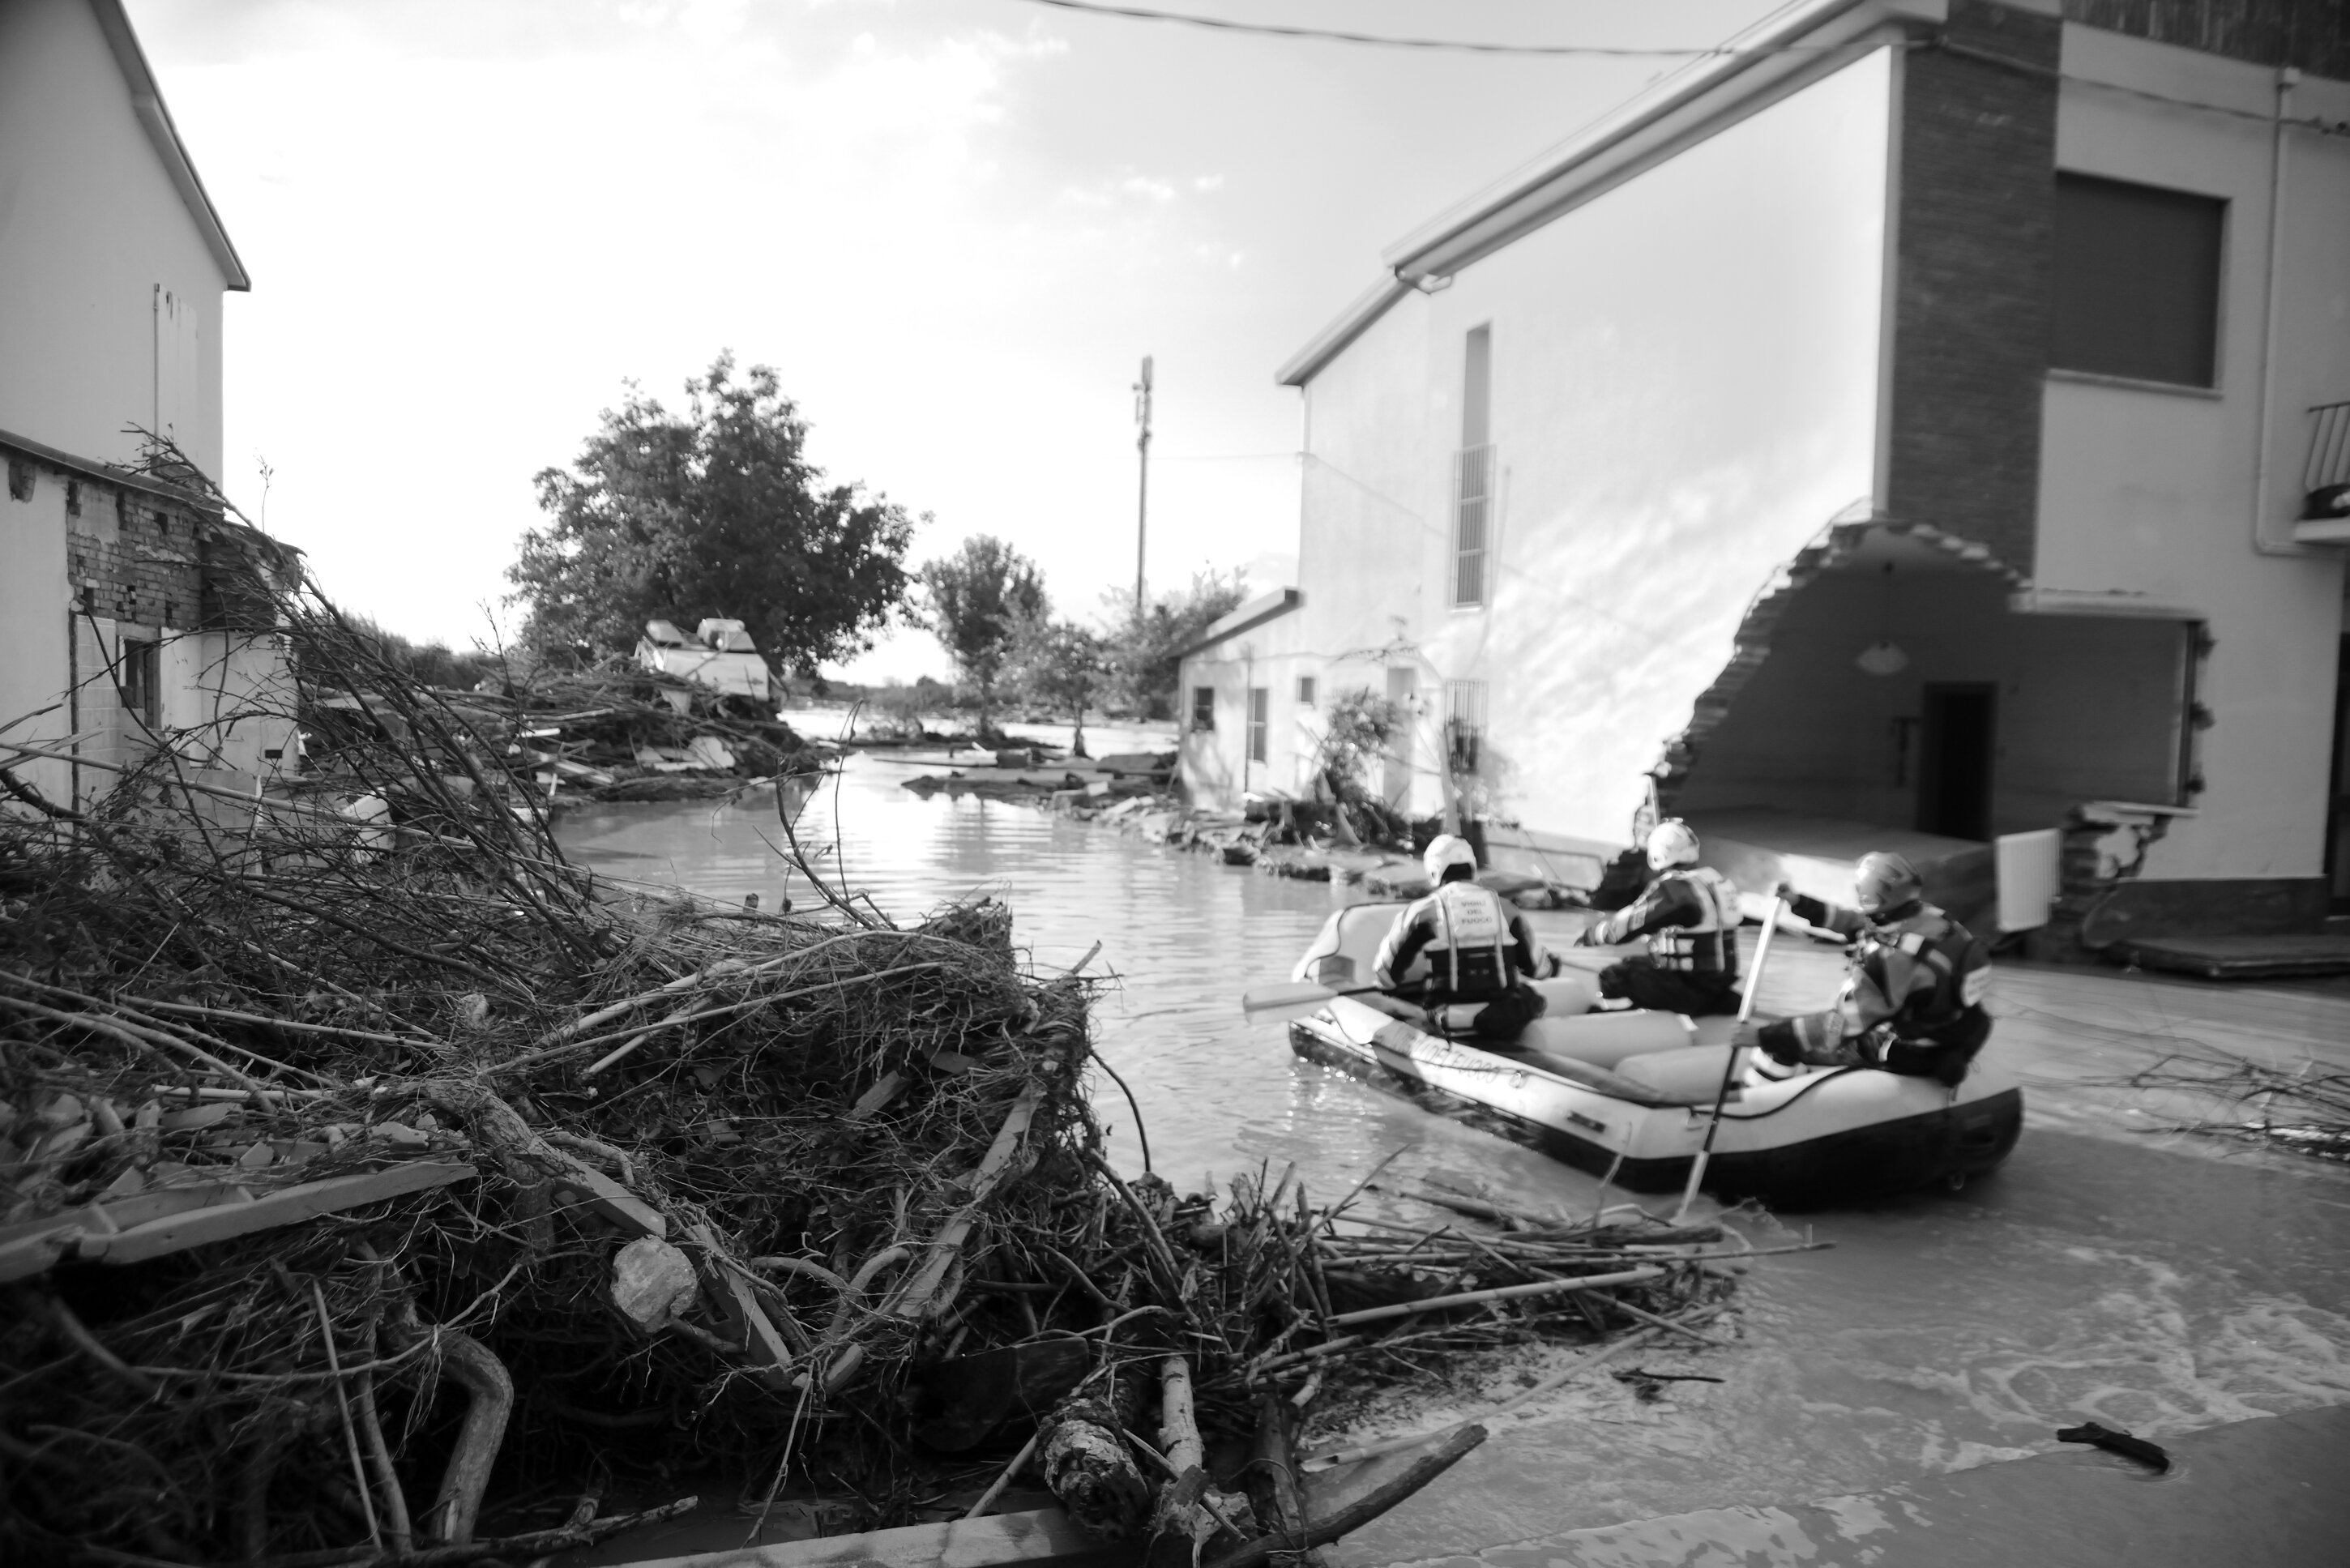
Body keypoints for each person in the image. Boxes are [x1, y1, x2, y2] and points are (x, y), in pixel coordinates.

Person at [1733, 851, 1992, 1086]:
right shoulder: (1934, 918)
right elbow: (1856, 923)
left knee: (1780, 1045)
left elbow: (1841, 1025)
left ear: (1868, 895)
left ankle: (1757, 1101)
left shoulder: (1888, 959)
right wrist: (1799, 902)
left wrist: (1766, 1036)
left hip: (1908, 1051)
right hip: (1956, 1032)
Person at [1371, 834, 1555, 1042]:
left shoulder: (1423, 911)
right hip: (1503, 1018)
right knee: (1529, 995)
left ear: (1434, 870)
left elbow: (1384, 974)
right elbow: (1539, 970)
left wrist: (1389, 990)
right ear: (1472, 867)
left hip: (1448, 1019)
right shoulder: (1506, 908)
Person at [1572, 819, 1742, 1016]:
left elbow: (1626, 928)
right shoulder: (1716, 882)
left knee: (1617, 974)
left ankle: (1614, 1021)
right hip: (1718, 985)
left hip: (1690, 988)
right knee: (1647, 962)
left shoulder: (1675, 889)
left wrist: (1593, 936)